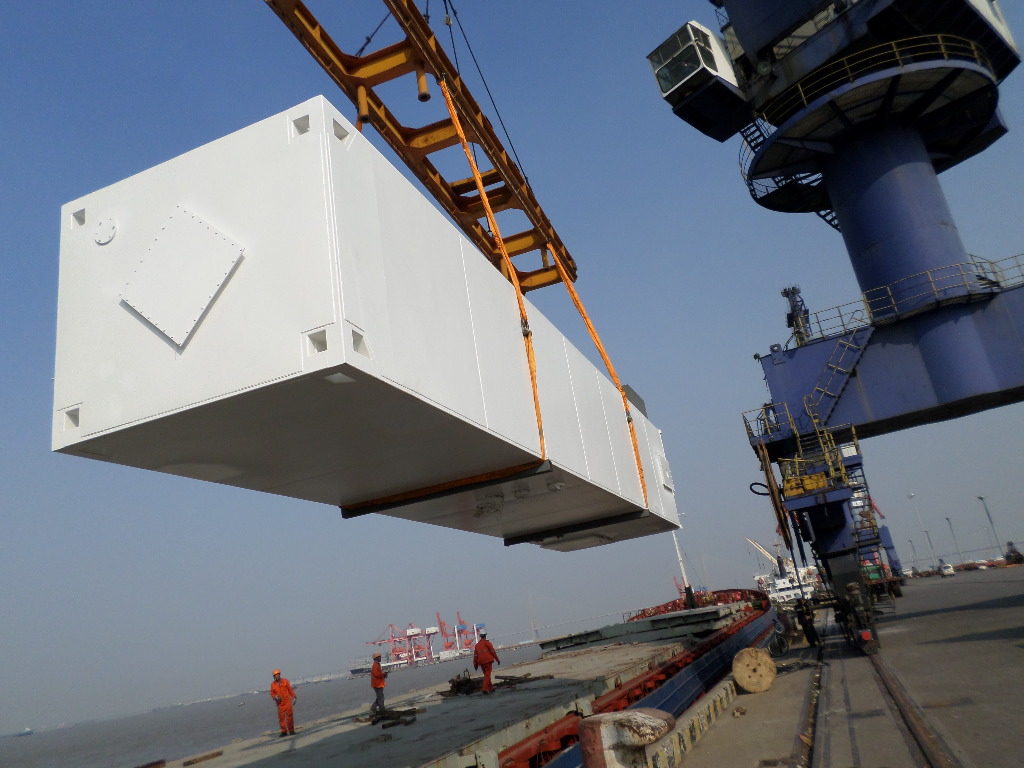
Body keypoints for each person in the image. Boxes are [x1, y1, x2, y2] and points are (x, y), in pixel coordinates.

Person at [269, 669, 297, 736]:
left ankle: (291, 731)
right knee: (281, 718)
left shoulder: (285, 681)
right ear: (273, 676)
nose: (276, 676)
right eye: (275, 675)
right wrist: (275, 697)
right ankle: (284, 732)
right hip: (280, 703)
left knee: (289, 717)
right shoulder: (273, 684)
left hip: (287, 702)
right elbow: (272, 693)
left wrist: (294, 697)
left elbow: (290, 690)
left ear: (279, 674)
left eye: (277, 674)